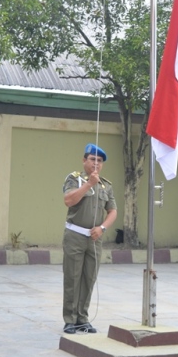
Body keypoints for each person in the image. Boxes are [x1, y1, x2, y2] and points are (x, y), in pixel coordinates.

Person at [62, 143, 117, 334]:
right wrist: (89, 184)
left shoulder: (106, 185)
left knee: (89, 277)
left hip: (94, 238)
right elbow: (68, 200)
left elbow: (112, 211)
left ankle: (82, 319)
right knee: (73, 277)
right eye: (93, 159)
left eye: (100, 161)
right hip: (75, 235)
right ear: (84, 160)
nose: (96, 163)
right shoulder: (75, 179)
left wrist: (102, 228)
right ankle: (69, 319)